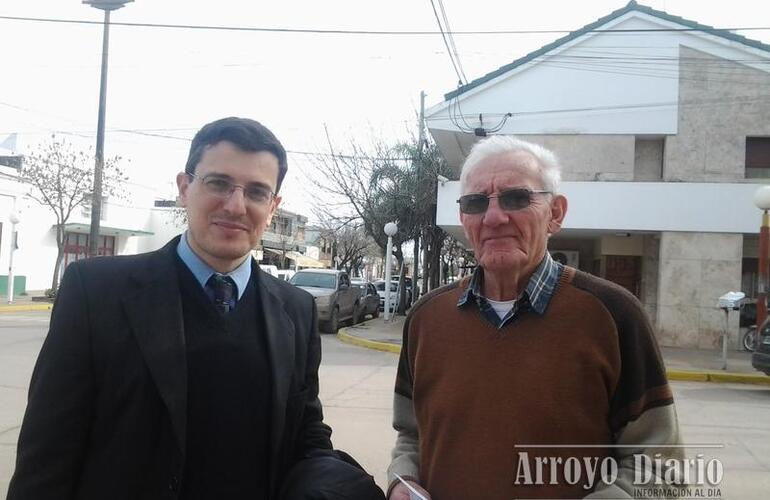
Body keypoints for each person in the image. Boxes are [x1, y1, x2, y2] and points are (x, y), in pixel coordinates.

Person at [8, 117, 382, 500]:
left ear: (273, 207)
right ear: (184, 188)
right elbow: (48, 454)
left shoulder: (295, 310)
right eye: (218, 183)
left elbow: (305, 433)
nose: (235, 206)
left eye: (256, 192)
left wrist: (343, 486)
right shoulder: (96, 293)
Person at [387, 136, 683, 499]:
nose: (494, 217)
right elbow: (411, 434)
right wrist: (402, 480)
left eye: (516, 198)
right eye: (476, 203)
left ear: (555, 213)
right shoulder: (426, 319)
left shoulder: (614, 316)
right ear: (464, 219)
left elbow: (657, 465)